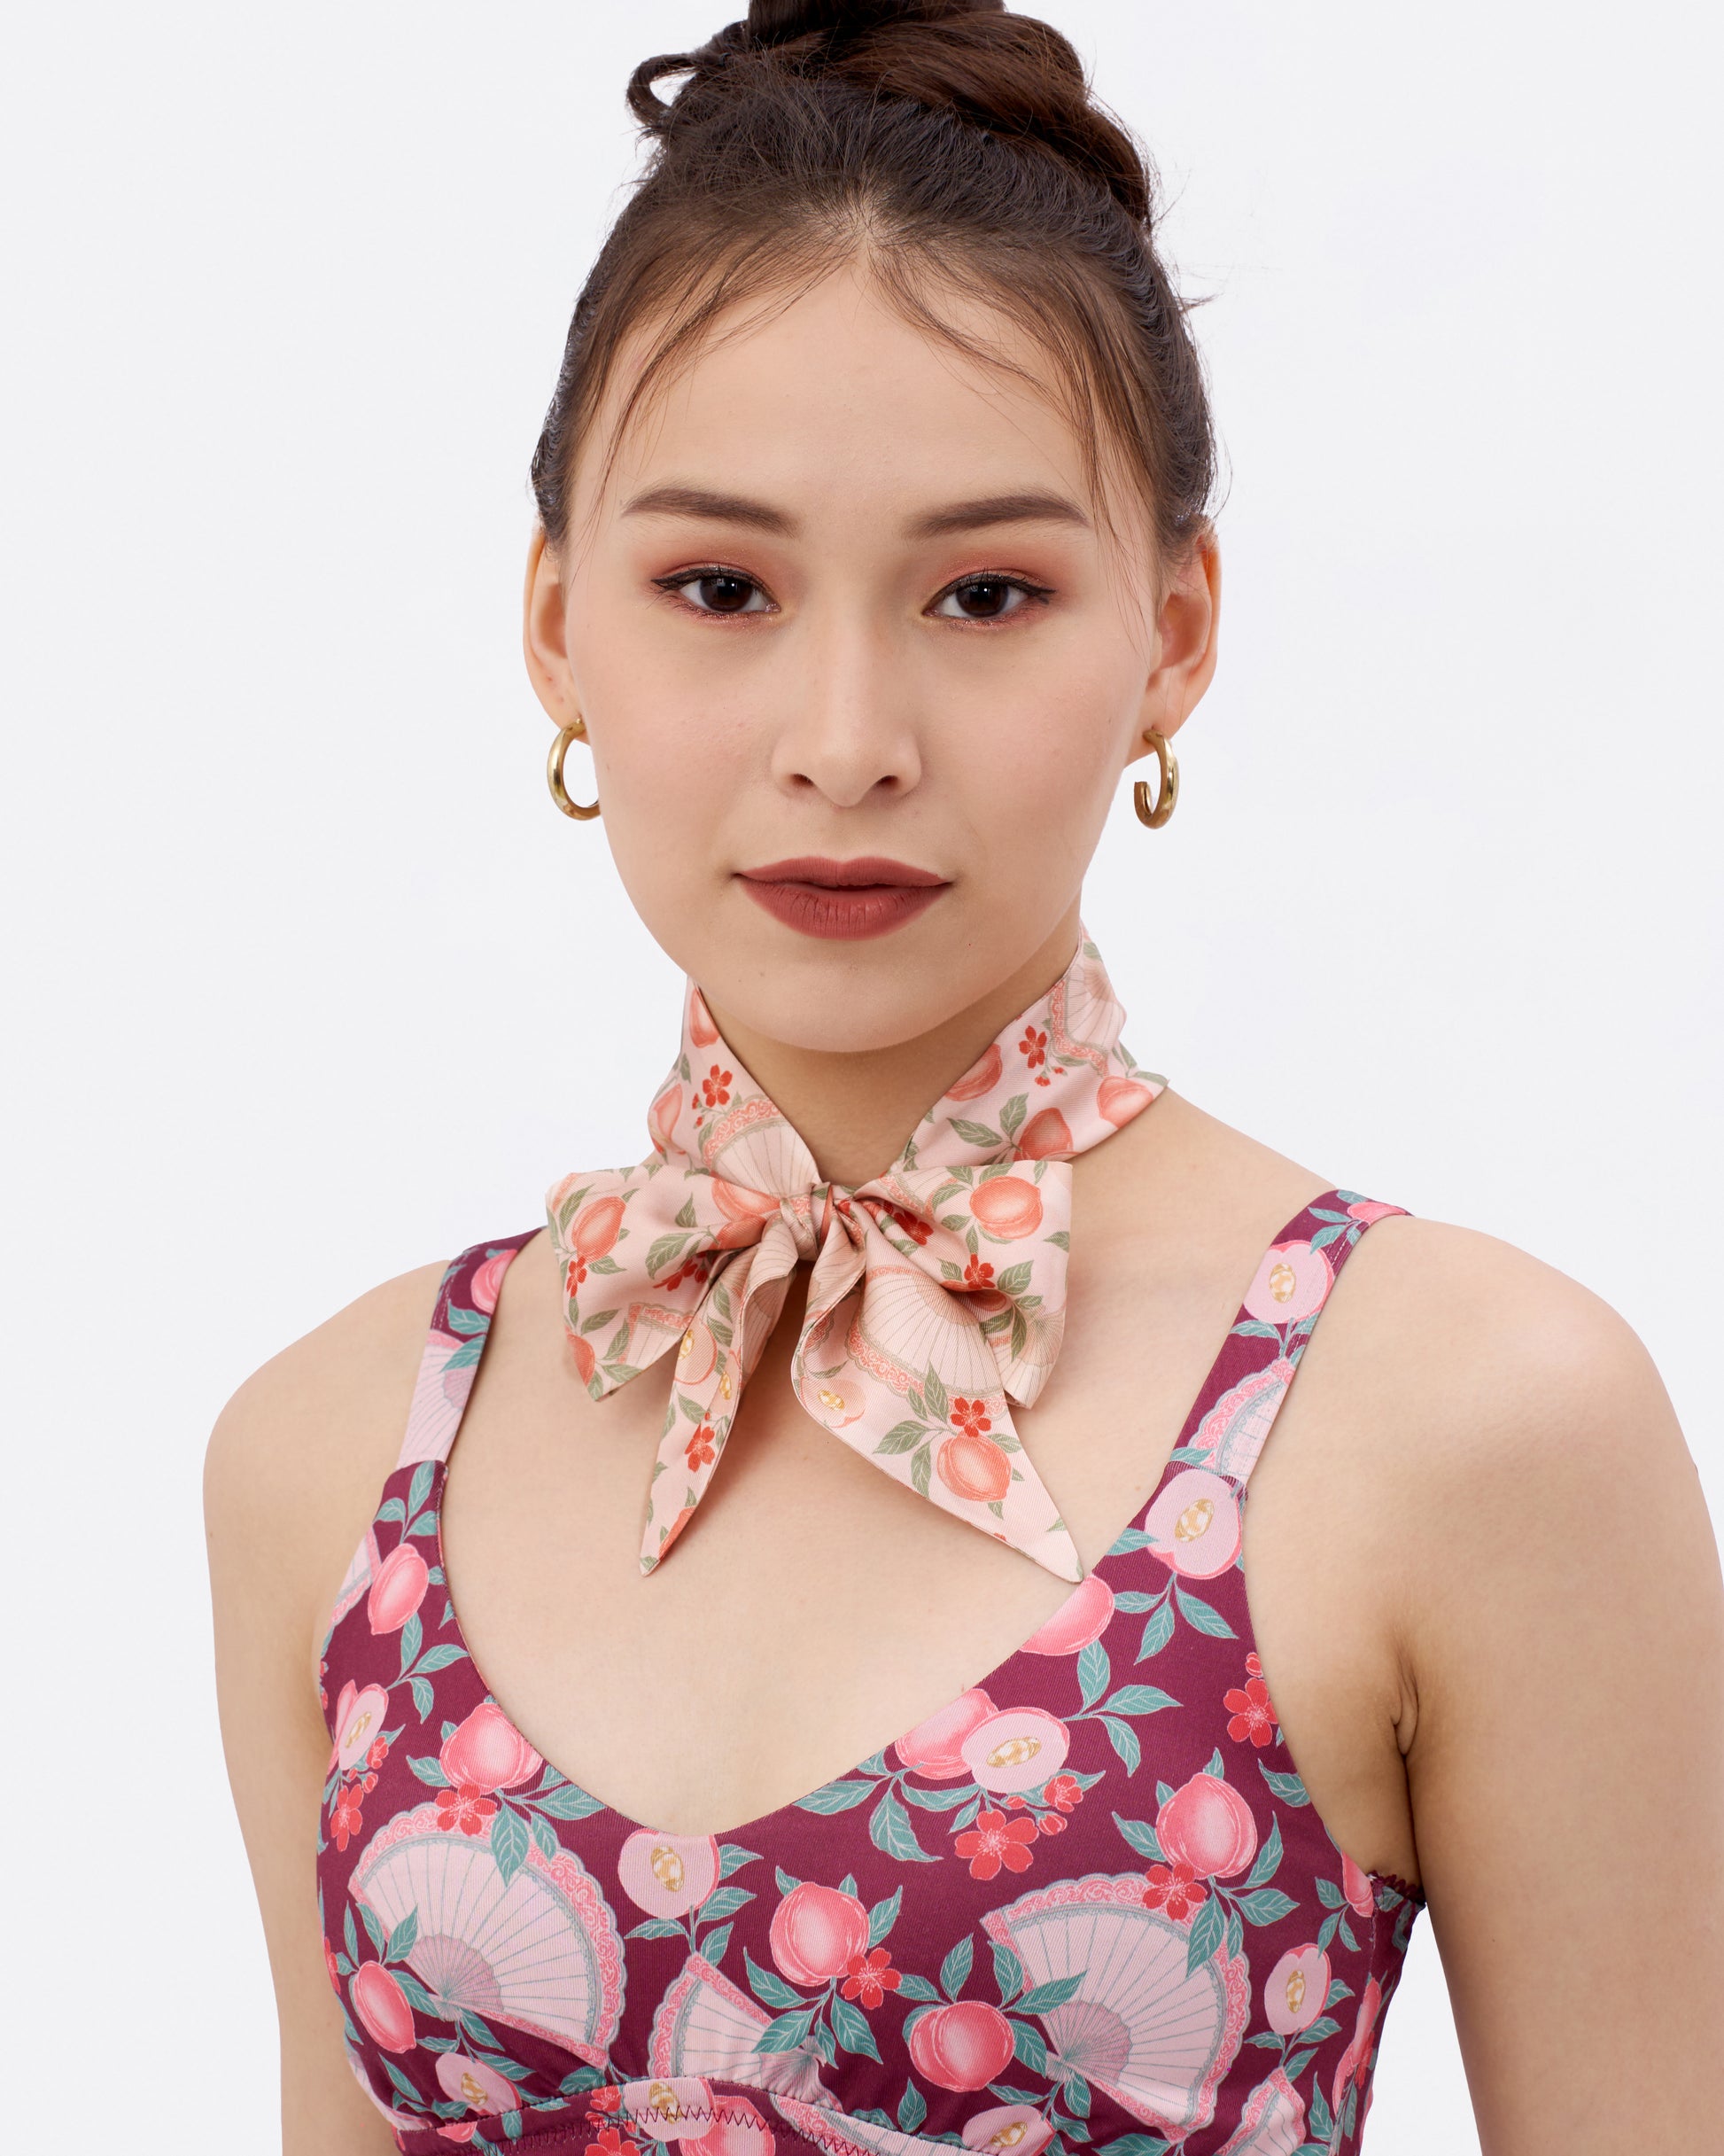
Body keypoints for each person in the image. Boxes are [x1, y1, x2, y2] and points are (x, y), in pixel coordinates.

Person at [204, 4, 1724, 2151]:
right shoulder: (336, 1446)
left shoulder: (1468, 1416)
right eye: (717, 586)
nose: (845, 738)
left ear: (1173, 632)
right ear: (555, 625)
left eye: (986, 592)